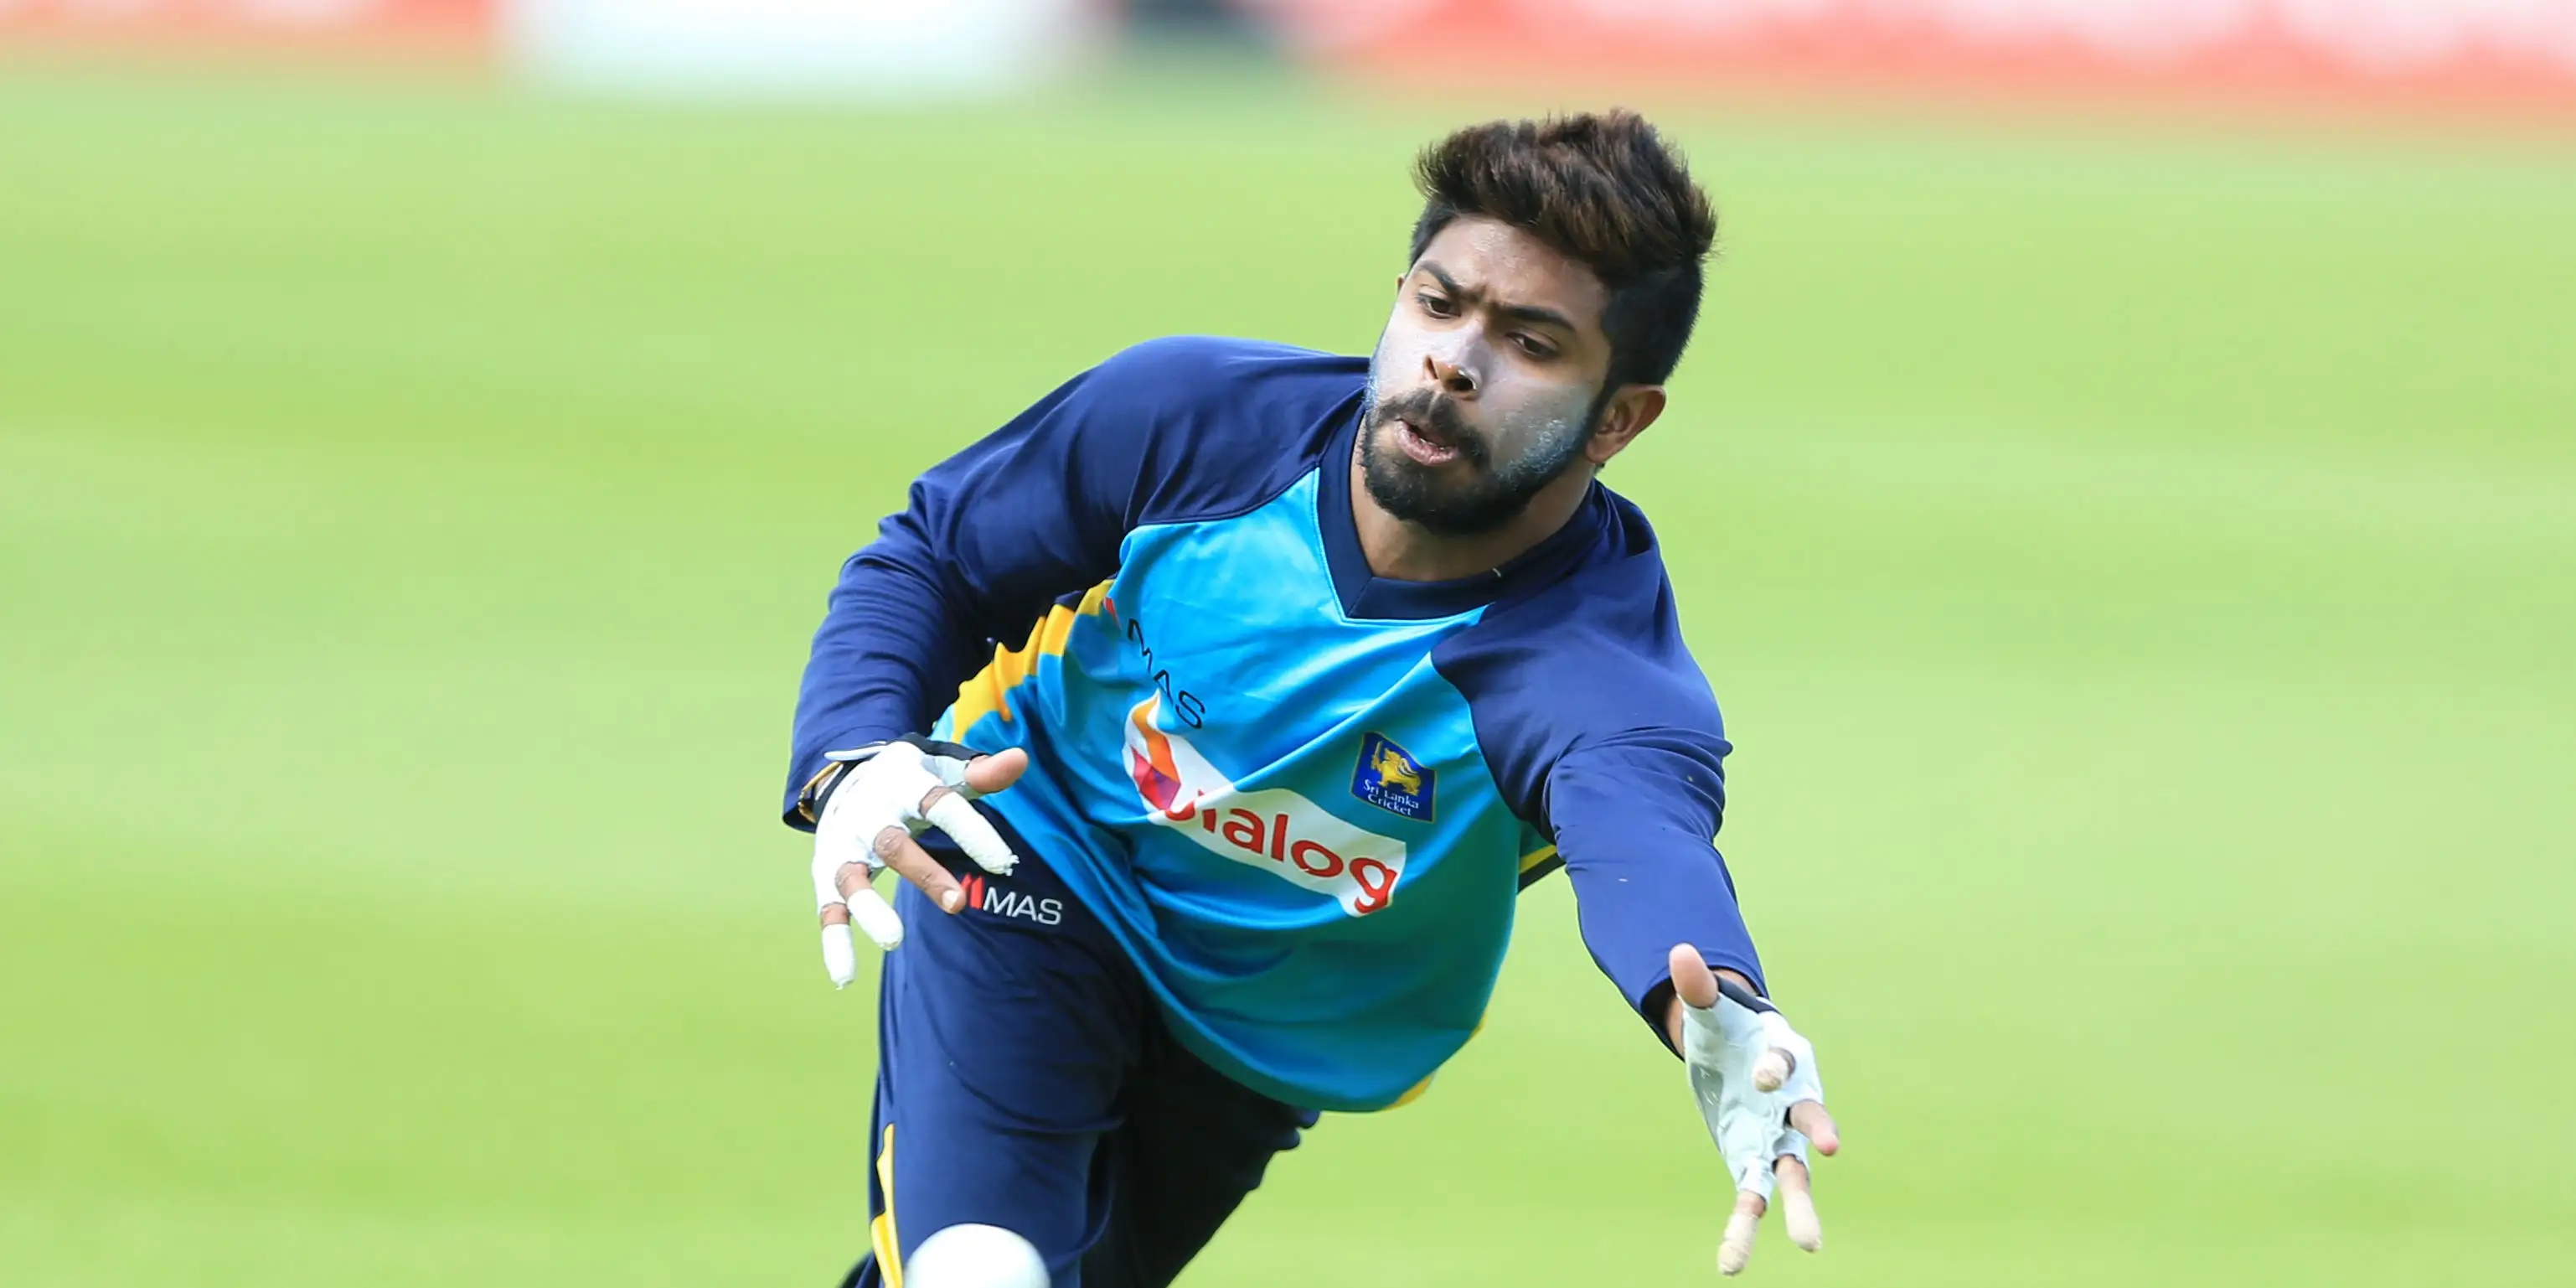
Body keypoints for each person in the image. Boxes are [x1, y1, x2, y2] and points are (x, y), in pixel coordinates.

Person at [783, 111, 1840, 1287]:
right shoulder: (1193, 421)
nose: (1454, 362)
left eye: (1531, 344)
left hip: (1261, 1037)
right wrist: (853, 748)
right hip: (1035, 854)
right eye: (1439, 305)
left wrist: (1719, 1006)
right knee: (980, 1267)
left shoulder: (1590, 674)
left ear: (1619, 418)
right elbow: (937, 557)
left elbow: (1644, 843)